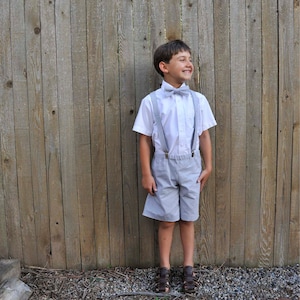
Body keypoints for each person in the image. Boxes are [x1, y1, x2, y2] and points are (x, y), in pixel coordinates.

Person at [132, 40, 217, 294]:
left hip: (191, 165)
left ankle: (188, 268)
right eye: (181, 59)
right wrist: (147, 173)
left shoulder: (198, 100)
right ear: (164, 66)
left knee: (188, 218)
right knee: (167, 220)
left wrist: (209, 165)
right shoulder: (151, 102)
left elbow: (203, 135)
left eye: (189, 59)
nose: (188, 63)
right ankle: (165, 269)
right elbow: (145, 139)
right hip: (163, 166)